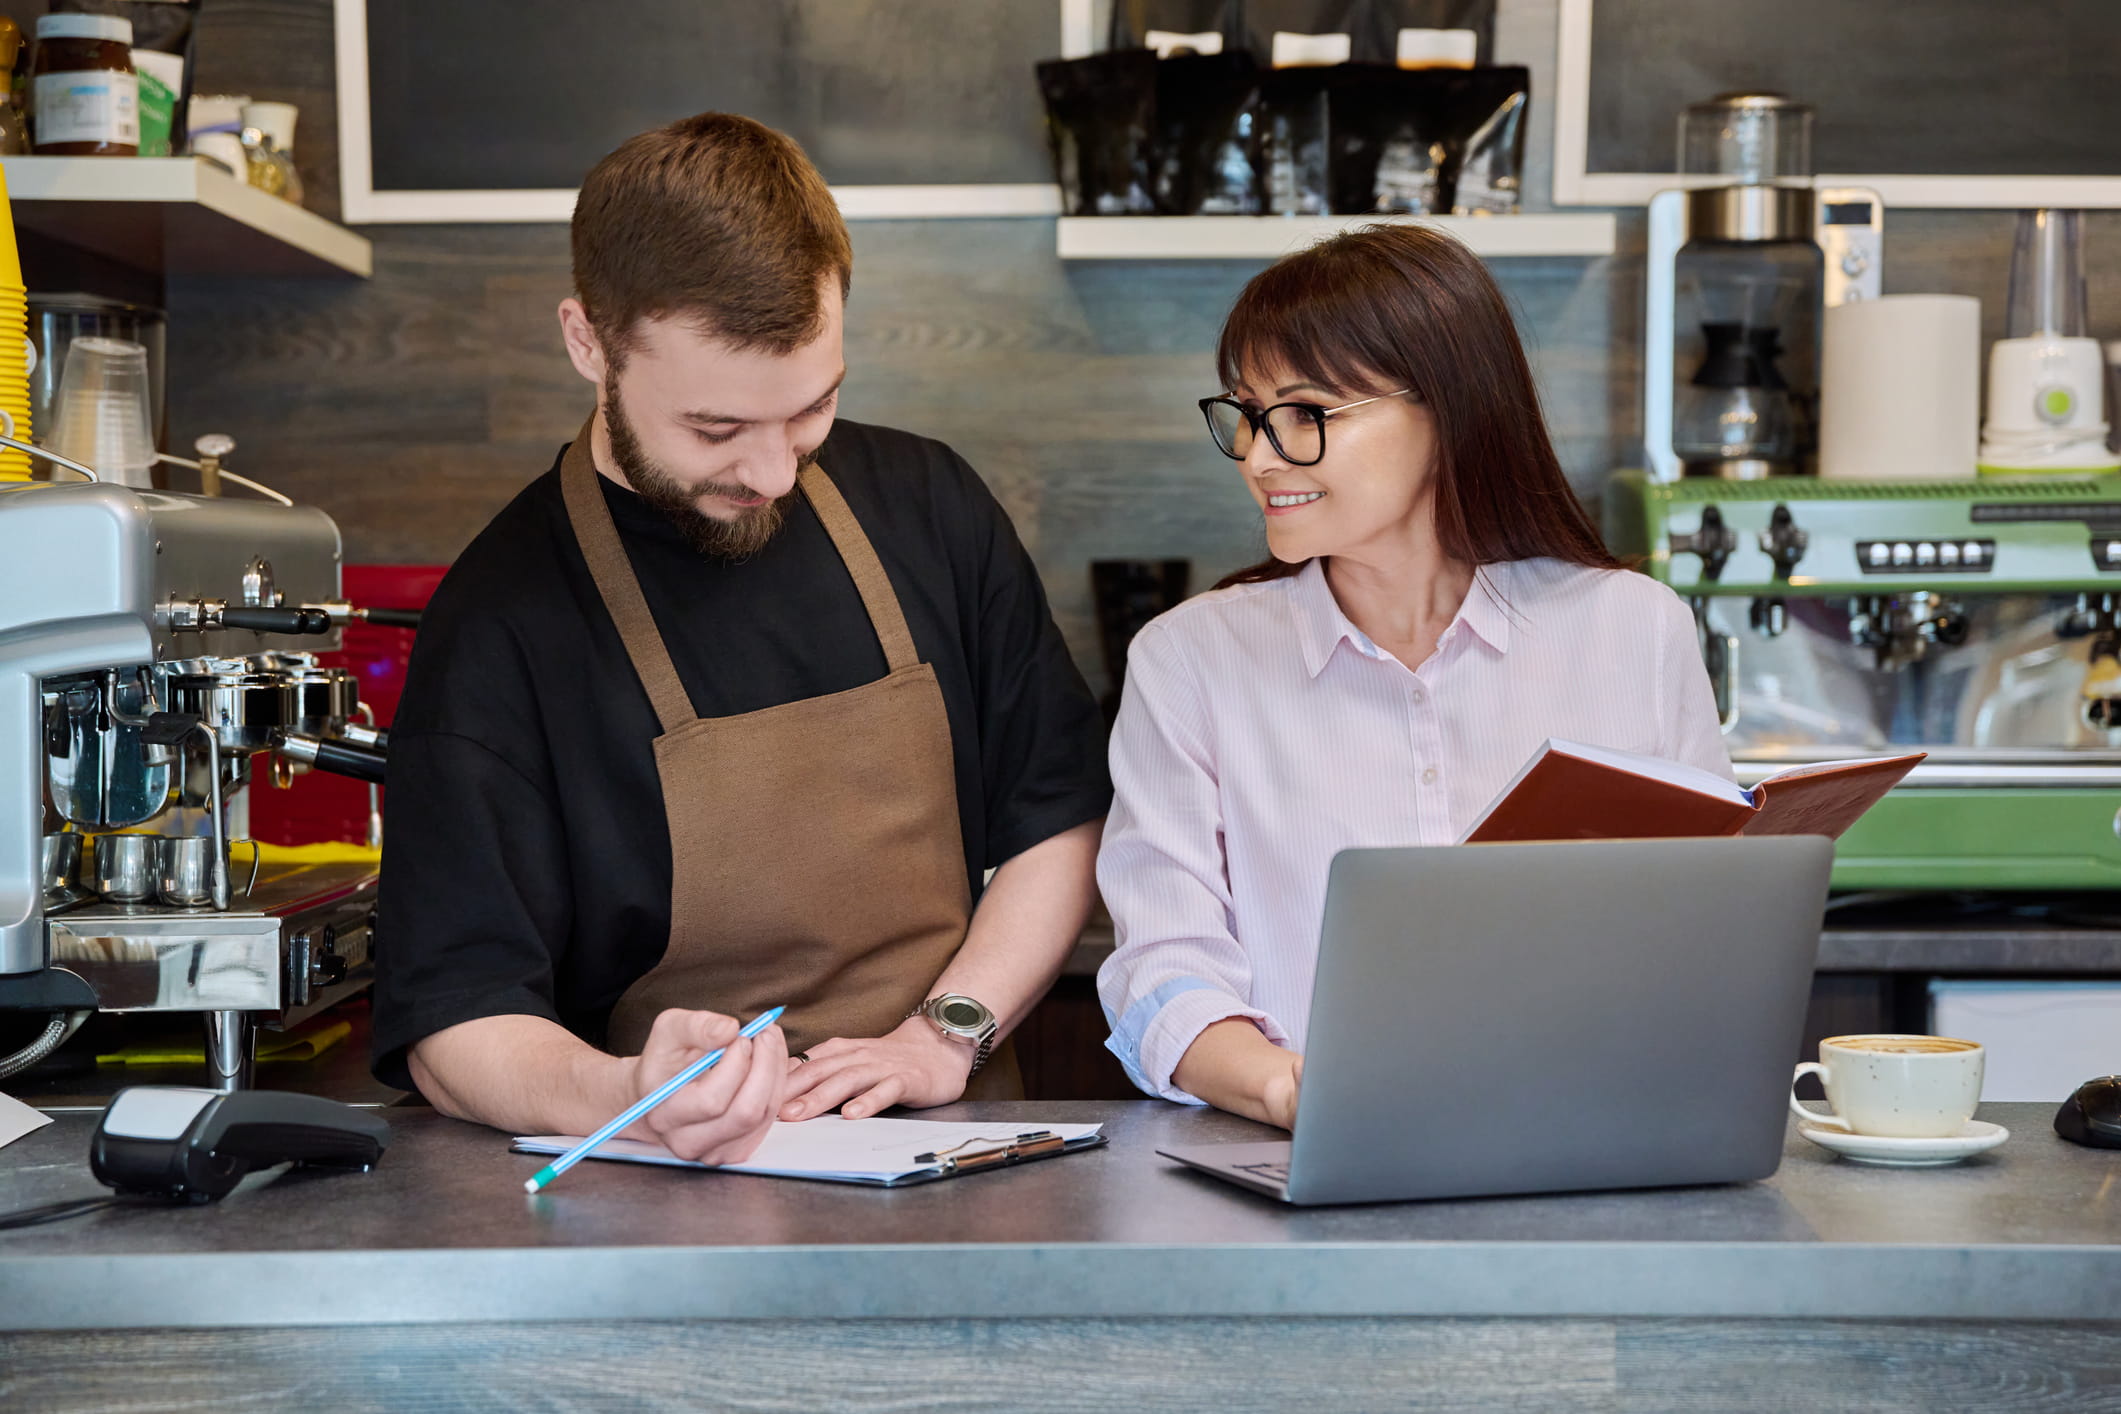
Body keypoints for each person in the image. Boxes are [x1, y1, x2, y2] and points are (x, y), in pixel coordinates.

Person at [371, 113, 1110, 1163]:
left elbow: (1058, 816)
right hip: (665, 1200)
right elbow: (453, 1023)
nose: (772, 474)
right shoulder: (501, 625)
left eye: (813, 409)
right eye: (716, 430)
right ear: (589, 342)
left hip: (957, 1161)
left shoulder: (927, 504)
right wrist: (625, 1092)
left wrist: (944, 1034)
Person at [1095, 225, 1731, 1131]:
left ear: (1449, 410)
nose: (1260, 456)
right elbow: (1161, 970)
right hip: (1299, 1165)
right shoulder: (1188, 659)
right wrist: (1288, 1089)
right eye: (1247, 413)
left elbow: (1704, 936)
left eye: (1307, 413)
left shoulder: (1633, 631)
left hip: (1591, 1143)